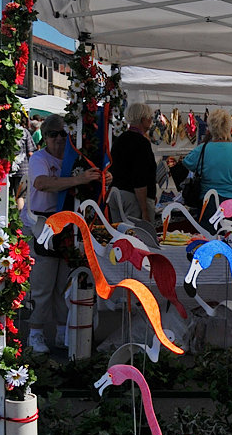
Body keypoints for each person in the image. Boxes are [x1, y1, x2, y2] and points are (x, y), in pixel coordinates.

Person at [25, 114, 103, 354]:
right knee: (42, 283)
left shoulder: (72, 159)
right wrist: (77, 179)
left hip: (67, 224)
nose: (58, 139)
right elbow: (42, 183)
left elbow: (87, 183)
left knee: (63, 283)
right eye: (52, 134)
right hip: (43, 222)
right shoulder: (39, 158)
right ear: (45, 137)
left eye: (62, 133)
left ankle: (61, 331)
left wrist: (102, 178)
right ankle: (35, 332)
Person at [181, 108, 232, 225]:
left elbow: (187, 161)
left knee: (210, 240)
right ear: (229, 127)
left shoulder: (203, 149)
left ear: (210, 128)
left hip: (209, 204)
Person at [107, 102, 158, 223]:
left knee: (119, 235)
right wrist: (144, 210)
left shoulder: (120, 139)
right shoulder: (141, 142)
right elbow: (139, 178)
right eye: (150, 118)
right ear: (143, 119)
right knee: (139, 237)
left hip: (116, 193)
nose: (151, 121)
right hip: (132, 197)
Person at [10, 124, 36, 211]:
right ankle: (21, 218)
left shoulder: (6, 131)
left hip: (6, 167)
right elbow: (30, 152)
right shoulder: (24, 132)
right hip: (22, 168)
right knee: (20, 195)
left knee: (6, 194)